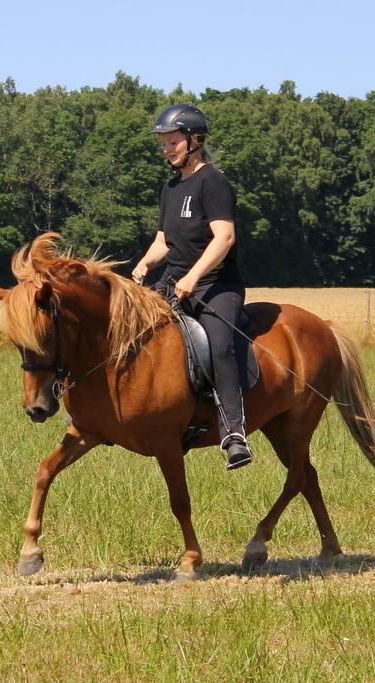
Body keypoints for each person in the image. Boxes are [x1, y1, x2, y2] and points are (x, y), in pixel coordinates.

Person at [132, 103, 253, 470]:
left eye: (172, 142)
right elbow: (164, 241)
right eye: (163, 144)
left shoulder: (213, 182)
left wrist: (194, 276)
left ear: (194, 141)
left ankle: (234, 432)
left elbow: (224, 237)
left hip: (216, 286)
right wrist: (144, 264)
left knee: (219, 346)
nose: (166, 149)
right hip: (174, 283)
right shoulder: (171, 188)